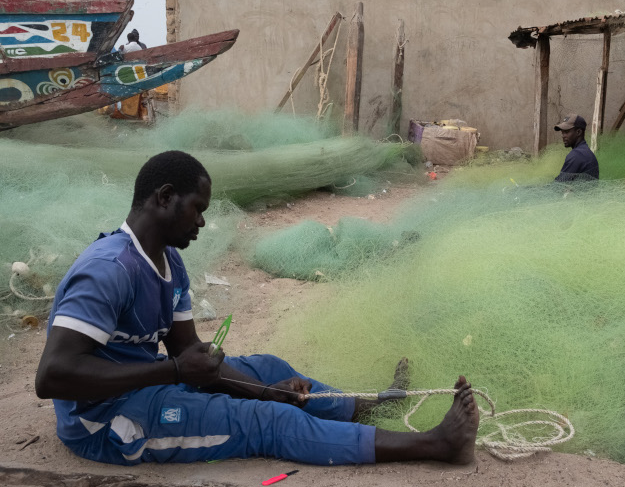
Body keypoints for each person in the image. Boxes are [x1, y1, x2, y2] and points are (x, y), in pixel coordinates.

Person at [35, 150, 479, 467]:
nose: (203, 222)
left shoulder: (169, 262)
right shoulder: (107, 270)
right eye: (198, 209)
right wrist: (174, 373)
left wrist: (267, 388)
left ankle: (373, 406)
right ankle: (435, 446)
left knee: (267, 368)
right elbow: (52, 377)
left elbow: (191, 358)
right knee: (268, 422)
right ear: (165, 197)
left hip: (146, 389)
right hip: (105, 423)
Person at [553, 113, 599, 182]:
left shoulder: (577, 155)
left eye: (566, 132)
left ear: (578, 132)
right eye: (562, 132)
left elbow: (558, 186)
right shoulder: (585, 152)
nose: (563, 136)